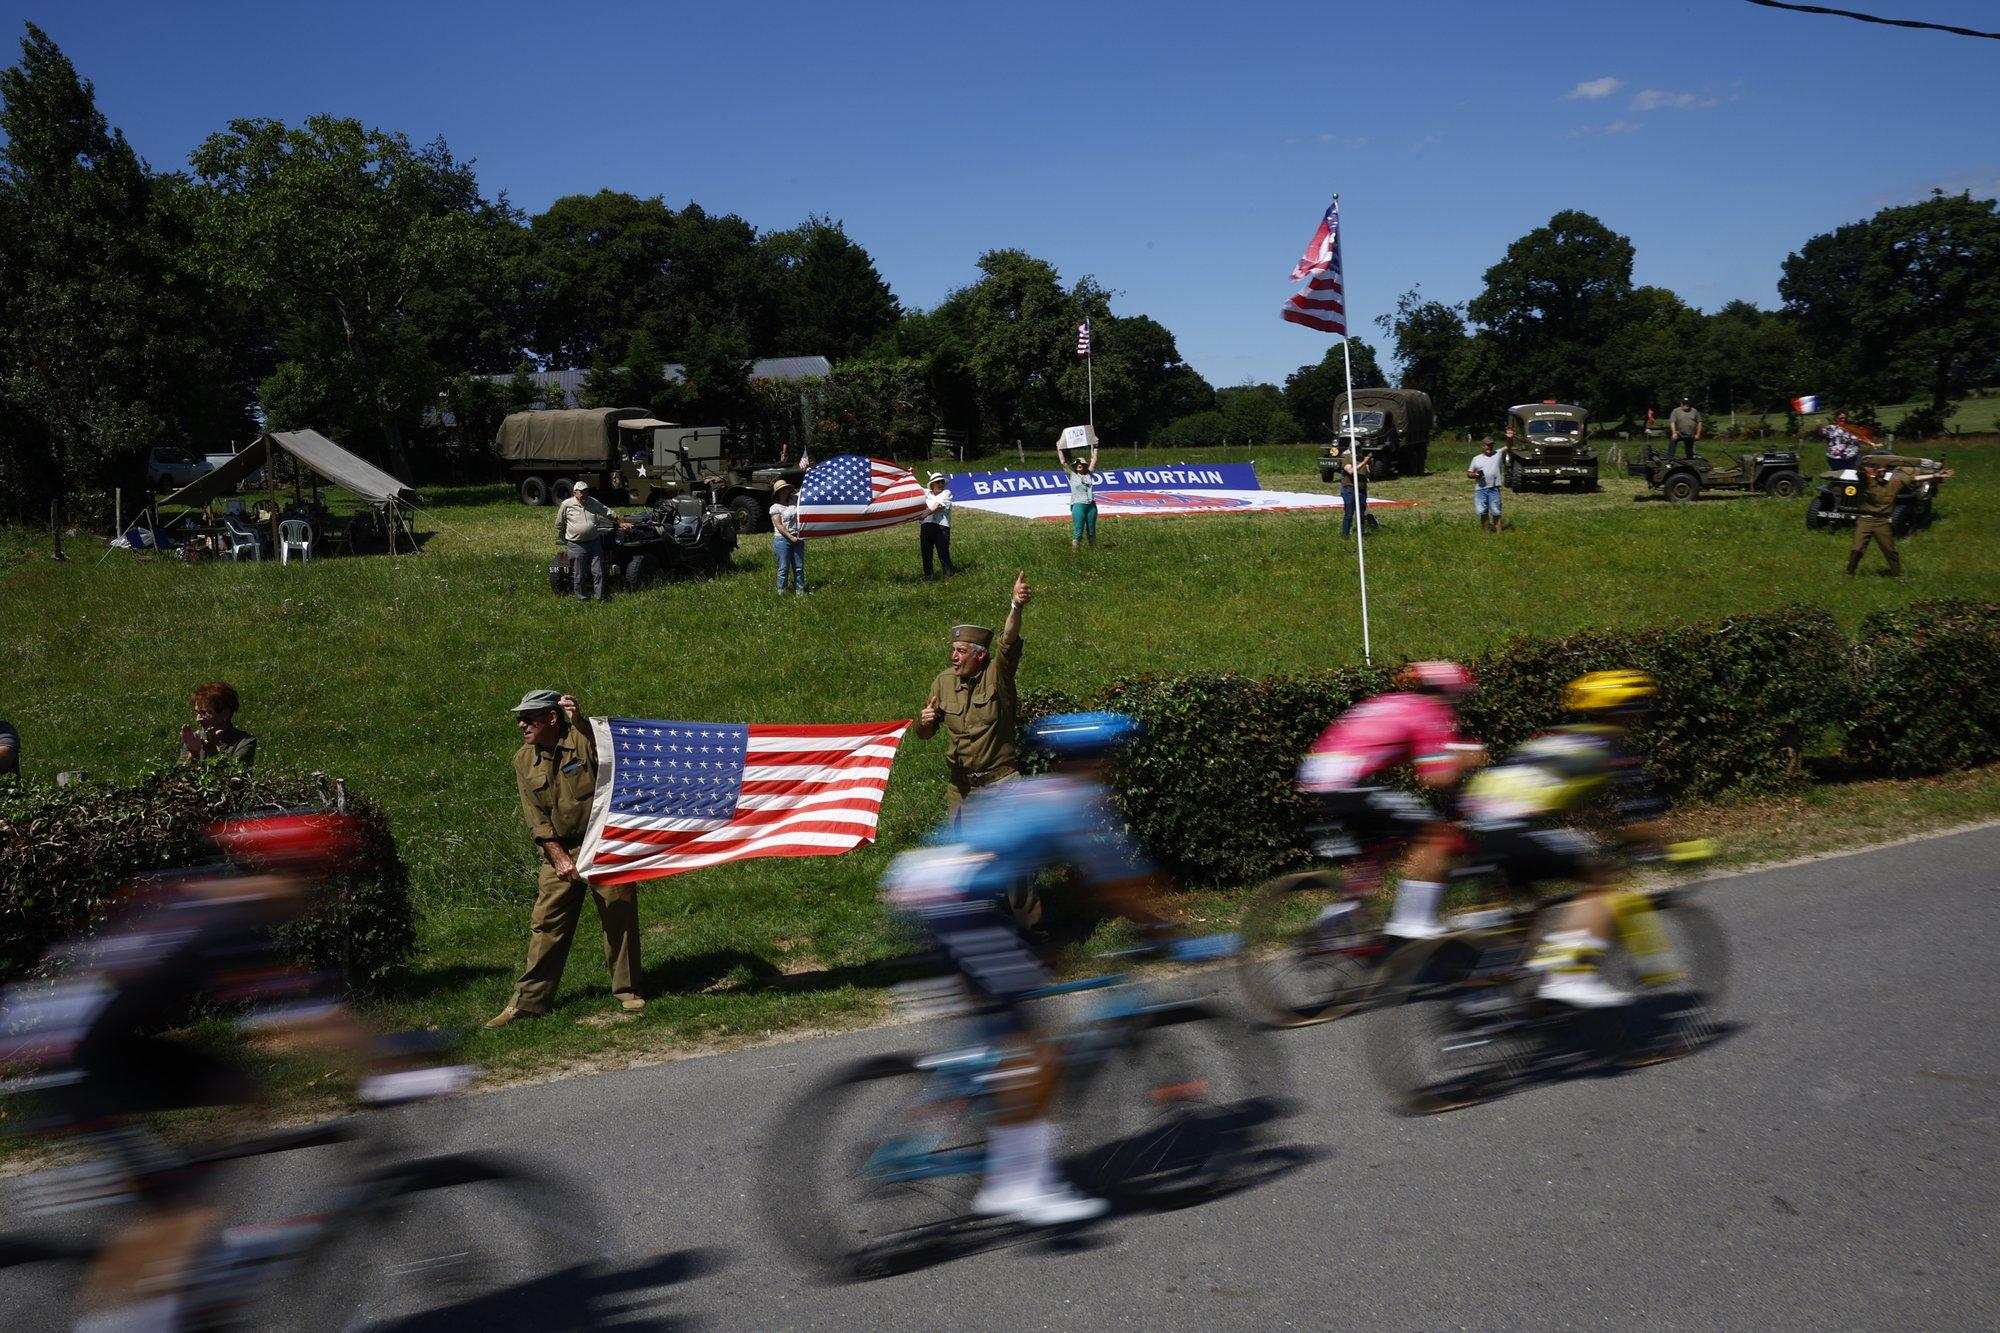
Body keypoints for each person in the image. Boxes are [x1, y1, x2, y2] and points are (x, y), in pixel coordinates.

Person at [0, 812, 464, 1333]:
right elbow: (301, 1022)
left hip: (86, 1042)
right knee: (176, 1212)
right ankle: (133, 1315)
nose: (321, 898)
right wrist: (393, 1067)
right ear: (292, 876)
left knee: (238, 1088)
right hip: (80, 1060)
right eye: (319, 883)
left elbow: (286, 1018)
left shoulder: (207, 899)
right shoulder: (232, 920)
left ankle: (194, 1256)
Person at [881, 711, 1208, 1226]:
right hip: (959, 902)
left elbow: (1061, 872)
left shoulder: (1026, 789)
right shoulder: (1076, 798)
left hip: (924, 885)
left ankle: (969, 1100)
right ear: (1103, 760)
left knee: (1000, 1036)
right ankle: (1021, 1187)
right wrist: (1167, 933)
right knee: (1037, 1056)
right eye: (1114, 762)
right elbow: (1113, 884)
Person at [1458, 670, 1676, 1008]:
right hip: (1518, 827)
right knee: (1603, 882)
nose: (1645, 712)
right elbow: (1636, 822)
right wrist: (1668, 849)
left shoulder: (1551, 738)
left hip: (1482, 825)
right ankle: (1570, 977)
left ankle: (1485, 995)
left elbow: (1570, 796)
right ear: (1627, 709)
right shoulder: (1612, 746)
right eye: (1642, 704)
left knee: (1527, 914)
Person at [486, 690, 643, 1028]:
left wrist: (581, 720)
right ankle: (528, 1003)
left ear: (551, 718)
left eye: (529, 718)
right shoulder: (523, 760)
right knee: (546, 924)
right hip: (560, 848)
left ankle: (628, 991)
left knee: (619, 916)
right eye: (520, 718)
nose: (521, 724)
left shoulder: (582, 740)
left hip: (603, 842)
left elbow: (608, 749)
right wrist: (558, 856)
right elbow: (536, 818)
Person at [1295, 662, 1484, 938]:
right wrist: (1465, 765)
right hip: (1349, 780)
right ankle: (1412, 921)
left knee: (1379, 848)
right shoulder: (1429, 710)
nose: (1459, 704)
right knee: (1433, 834)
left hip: (1318, 776)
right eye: (1460, 696)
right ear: (1448, 691)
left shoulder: (1389, 702)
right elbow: (1437, 778)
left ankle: (1341, 914)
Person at [916, 572, 1032, 815]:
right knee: (965, 853)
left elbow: (1008, 641)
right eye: (953, 650)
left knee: (1005, 852)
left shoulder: (998, 675)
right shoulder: (943, 682)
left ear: (979, 655)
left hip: (1001, 788)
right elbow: (925, 734)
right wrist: (924, 723)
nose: (953, 657)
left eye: (961, 651)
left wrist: (1016, 606)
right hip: (962, 791)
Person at [1846, 455, 1954, 578]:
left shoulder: (1894, 483)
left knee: (1889, 550)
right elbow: (1860, 471)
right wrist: (1864, 461)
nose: (1881, 474)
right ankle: (1849, 573)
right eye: (1878, 471)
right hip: (1866, 519)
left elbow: (1914, 478)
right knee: (1857, 548)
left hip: (1882, 521)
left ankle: (1897, 574)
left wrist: (1936, 476)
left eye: (1884, 472)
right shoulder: (1867, 482)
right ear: (1874, 473)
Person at [555, 479, 619, 603]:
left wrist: (618, 519)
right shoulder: (566, 504)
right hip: (576, 545)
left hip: (594, 543)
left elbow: (606, 511)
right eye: (581, 492)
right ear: (575, 493)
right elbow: (559, 523)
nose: (584, 494)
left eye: (586, 491)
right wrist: (569, 532)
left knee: (598, 572)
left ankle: (600, 598)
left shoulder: (592, 502)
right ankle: (582, 599)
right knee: (579, 575)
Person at [179, 681, 257, 767]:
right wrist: (192, 754)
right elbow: (177, 778)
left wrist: (213, 752)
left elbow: (234, 776)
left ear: (225, 714)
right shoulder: (194, 739)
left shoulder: (243, 742)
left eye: (204, 713)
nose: (198, 719)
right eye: (197, 712)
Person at [770, 479, 806, 594]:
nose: (785, 491)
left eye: (786, 489)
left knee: (799, 567)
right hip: (782, 540)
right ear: (778, 493)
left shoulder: (794, 499)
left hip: (798, 537)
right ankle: (781, 592)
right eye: (782, 490)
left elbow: (804, 491)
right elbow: (779, 525)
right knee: (783, 567)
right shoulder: (775, 507)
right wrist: (790, 537)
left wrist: (808, 471)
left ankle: (800, 591)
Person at [1336, 442, 1377, 540]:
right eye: (1356, 448)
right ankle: (1345, 535)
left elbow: (1370, 472)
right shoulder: (1347, 458)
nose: (1358, 450)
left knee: (1361, 514)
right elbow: (1350, 471)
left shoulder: (1363, 459)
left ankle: (1361, 535)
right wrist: (1364, 462)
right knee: (1349, 513)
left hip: (1361, 489)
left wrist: (1369, 462)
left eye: (1359, 448)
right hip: (1349, 489)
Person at [1064, 445, 1099, 552]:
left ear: (1084, 465)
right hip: (1078, 505)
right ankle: (1075, 552)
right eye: (1077, 464)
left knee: (1091, 530)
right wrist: (1059, 448)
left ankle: (1094, 551)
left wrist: (1095, 446)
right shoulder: (1072, 475)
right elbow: (1063, 463)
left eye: (1082, 464)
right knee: (1078, 530)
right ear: (1075, 466)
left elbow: (1094, 460)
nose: (1080, 465)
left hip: (1091, 505)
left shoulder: (1089, 474)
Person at [1467, 437, 1506, 534]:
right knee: (1483, 512)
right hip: (1480, 490)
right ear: (1483, 446)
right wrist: (1475, 475)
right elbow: (1469, 473)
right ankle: (1486, 534)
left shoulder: (1498, 454)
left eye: (1491, 445)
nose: (1490, 447)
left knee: (1496, 512)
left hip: (1494, 488)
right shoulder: (1476, 459)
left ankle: (1499, 535)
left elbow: (1508, 447)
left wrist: (1509, 437)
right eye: (1488, 445)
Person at [920, 474, 956, 577]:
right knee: (926, 552)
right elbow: (913, 487)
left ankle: (948, 575)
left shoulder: (946, 493)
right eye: (938, 482)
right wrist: (910, 474)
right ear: (932, 484)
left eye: (942, 482)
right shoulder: (926, 493)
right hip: (926, 525)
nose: (940, 484)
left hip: (941, 526)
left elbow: (938, 506)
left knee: (943, 551)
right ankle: (928, 576)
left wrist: (926, 513)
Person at [1667, 396, 1702, 461]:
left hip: (1690, 434)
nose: (1687, 405)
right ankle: (1670, 458)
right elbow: (1672, 422)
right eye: (1685, 403)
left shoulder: (1694, 411)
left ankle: (1690, 460)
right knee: (1673, 440)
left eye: (1688, 403)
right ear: (1681, 404)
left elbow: (1699, 422)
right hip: (1679, 433)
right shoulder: (1676, 411)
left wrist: (1698, 434)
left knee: (1689, 450)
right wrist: (1674, 432)